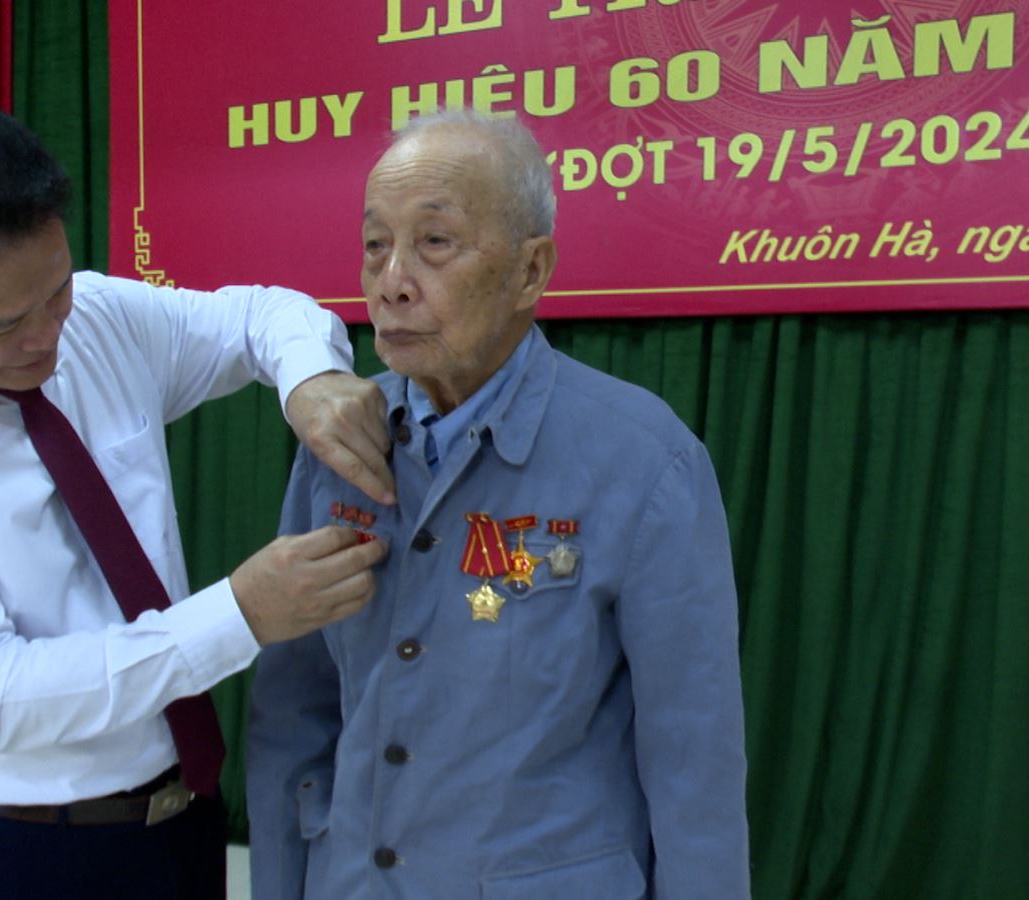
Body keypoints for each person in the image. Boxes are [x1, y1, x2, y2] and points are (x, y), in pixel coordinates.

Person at [0, 96, 393, 899]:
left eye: (54, 293)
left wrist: (312, 380)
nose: (45, 336)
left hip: (183, 817)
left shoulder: (96, 320)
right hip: (20, 850)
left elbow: (261, 317)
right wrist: (240, 614)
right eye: (3, 325)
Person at [248, 110, 750, 899]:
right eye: (375, 244)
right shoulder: (339, 446)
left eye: (434, 242)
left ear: (529, 270)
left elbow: (695, 761)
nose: (392, 280)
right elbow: (292, 717)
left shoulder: (644, 462)